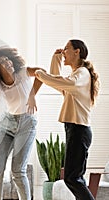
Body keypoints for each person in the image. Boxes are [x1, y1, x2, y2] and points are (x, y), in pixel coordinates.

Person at [0, 46, 44, 200]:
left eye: (8, 59)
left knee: (18, 172)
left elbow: (41, 73)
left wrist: (32, 95)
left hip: (27, 123)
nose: (8, 62)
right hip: (6, 124)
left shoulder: (22, 72)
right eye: (3, 62)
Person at [35, 39, 100, 200]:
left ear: (77, 52)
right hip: (75, 129)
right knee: (76, 178)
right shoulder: (77, 75)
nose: (63, 52)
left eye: (66, 49)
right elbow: (57, 82)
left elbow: (59, 81)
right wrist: (55, 60)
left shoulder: (82, 73)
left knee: (72, 178)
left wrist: (39, 74)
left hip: (79, 129)